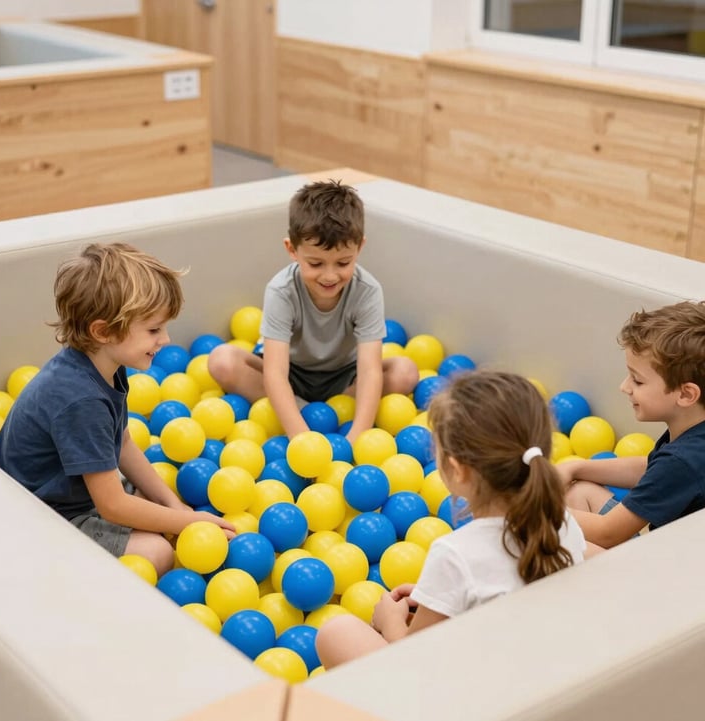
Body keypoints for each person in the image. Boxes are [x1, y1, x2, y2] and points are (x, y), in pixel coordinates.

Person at [315, 370, 586, 669]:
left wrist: (390, 621)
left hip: (479, 696)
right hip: (545, 669)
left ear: (457, 470)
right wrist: (436, 597)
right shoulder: (559, 519)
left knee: (336, 633)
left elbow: (413, 657)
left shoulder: (454, 554)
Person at [0, 243, 235, 576]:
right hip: (45, 516)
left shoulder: (106, 362)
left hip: (74, 494)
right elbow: (113, 505)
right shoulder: (81, 399)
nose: (165, 339)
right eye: (153, 330)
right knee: (158, 554)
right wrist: (187, 521)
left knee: (157, 507)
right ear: (103, 331)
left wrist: (173, 505)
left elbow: (121, 444)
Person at [207, 180, 418, 444]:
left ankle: (333, 409)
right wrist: (301, 436)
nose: (330, 276)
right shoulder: (281, 290)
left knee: (405, 371)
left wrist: (357, 436)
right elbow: (274, 373)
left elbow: (370, 371)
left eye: (343, 263)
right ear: (292, 250)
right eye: (316, 263)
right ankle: (308, 411)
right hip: (291, 373)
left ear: (359, 248)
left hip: (345, 376)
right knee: (221, 360)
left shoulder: (368, 290)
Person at [558, 300, 705, 549]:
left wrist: (527, 509)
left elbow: (607, 533)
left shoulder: (683, 461)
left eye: (637, 381)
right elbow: (650, 469)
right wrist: (577, 467)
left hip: (671, 577)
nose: (624, 387)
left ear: (686, 395)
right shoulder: (691, 433)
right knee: (580, 492)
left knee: (559, 543)